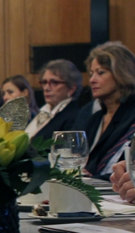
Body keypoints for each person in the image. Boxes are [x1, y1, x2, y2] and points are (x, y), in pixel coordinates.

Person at [76, 42, 135, 179]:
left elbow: (127, 170)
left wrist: (91, 178)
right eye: (91, 74)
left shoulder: (132, 116)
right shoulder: (94, 119)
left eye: (100, 73)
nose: (92, 80)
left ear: (121, 73)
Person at [24, 59, 82, 140]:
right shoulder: (44, 111)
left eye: (54, 82)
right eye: (44, 82)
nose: (46, 88)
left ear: (71, 88)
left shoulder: (74, 117)